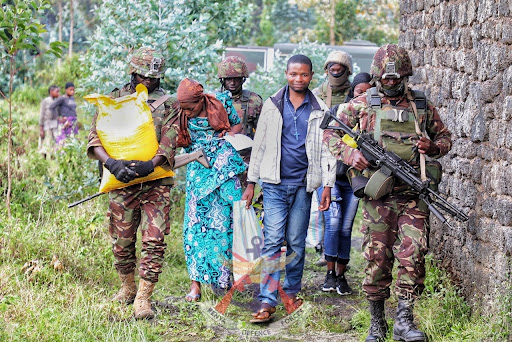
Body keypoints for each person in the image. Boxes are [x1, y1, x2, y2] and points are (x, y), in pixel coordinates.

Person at [323, 44, 452, 342]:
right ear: (379, 76)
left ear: (406, 75)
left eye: (397, 78)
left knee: (414, 254)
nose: (391, 83)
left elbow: (444, 137)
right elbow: (329, 130)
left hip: (412, 195)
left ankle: (404, 320)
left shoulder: (421, 105)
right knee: (377, 259)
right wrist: (349, 155)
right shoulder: (362, 104)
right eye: (386, 78)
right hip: (377, 197)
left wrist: (433, 148)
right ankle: (377, 323)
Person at [87, 47, 179, 319]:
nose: (149, 82)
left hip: (156, 183)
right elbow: (95, 138)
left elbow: (171, 139)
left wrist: (150, 165)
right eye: (144, 77)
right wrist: (112, 164)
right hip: (120, 181)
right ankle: (127, 287)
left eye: (154, 78)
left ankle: (143, 298)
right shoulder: (114, 99)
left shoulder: (168, 103)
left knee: (154, 239)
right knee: (122, 239)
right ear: (133, 71)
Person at [242, 54, 336, 323]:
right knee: (272, 241)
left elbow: (328, 150)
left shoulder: (319, 108)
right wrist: (252, 183)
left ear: (311, 76)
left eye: (304, 75)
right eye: (294, 74)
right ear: (286, 74)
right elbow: (258, 145)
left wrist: (327, 185)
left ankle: (291, 293)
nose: (298, 79)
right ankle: (267, 301)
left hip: (303, 186)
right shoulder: (273, 106)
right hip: (273, 185)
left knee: (296, 241)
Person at [176, 78, 246, 302]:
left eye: (190, 108)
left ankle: (227, 281)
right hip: (199, 171)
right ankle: (195, 285)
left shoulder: (221, 102)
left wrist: (227, 139)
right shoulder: (179, 113)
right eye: (183, 108)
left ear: (201, 100)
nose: (186, 112)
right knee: (196, 227)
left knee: (226, 225)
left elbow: (237, 126)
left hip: (225, 169)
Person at [217, 56, 263, 189]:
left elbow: (263, 132)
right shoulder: (213, 101)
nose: (232, 83)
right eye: (228, 79)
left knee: (242, 201)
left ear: (242, 79)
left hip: (245, 160)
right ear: (222, 80)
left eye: (236, 79)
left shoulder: (253, 101)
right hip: (220, 158)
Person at [50, 81, 78, 146]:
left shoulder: (72, 98)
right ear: (66, 90)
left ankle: (71, 155)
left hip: (73, 122)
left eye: (73, 90)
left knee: (73, 140)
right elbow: (52, 107)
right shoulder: (62, 98)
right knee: (63, 140)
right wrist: (58, 118)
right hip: (65, 122)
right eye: (70, 90)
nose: (72, 91)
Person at [39, 85, 60, 158]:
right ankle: (43, 156)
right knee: (47, 140)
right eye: (57, 91)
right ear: (51, 92)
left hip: (55, 123)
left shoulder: (57, 101)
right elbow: (42, 114)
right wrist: (41, 127)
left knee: (54, 141)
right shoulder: (46, 101)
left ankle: (52, 156)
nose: (58, 93)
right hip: (47, 124)